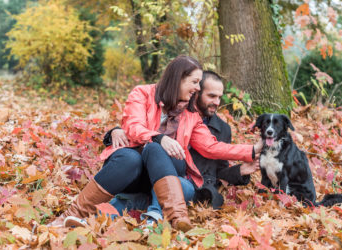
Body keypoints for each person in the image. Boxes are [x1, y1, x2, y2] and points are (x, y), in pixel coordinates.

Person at [49, 55, 263, 232]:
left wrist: (253, 151)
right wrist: (160, 137)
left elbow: (211, 147)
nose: (197, 88)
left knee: (155, 149)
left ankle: (176, 216)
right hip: (134, 172)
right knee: (129, 156)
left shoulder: (191, 114)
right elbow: (132, 125)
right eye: (195, 82)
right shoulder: (142, 93)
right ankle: (73, 215)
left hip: (168, 170)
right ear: (179, 79)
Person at [107, 71, 259, 221]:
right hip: (150, 174)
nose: (217, 102)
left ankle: (145, 210)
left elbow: (218, 167)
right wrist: (117, 130)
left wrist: (240, 170)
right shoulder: (174, 111)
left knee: (150, 194)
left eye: (220, 97)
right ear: (195, 93)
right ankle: (102, 211)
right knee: (152, 160)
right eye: (211, 96)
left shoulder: (223, 129)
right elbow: (142, 127)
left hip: (188, 185)